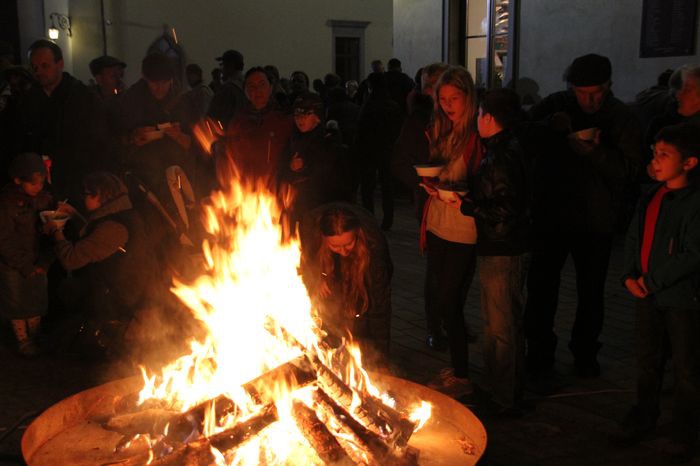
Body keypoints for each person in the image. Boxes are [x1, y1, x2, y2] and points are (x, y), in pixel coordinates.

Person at [524, 54, 641, 377]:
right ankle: (539, 354)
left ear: (609, 86)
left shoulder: (621, 117)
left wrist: (596, 154)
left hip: (596, 221)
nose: (589, 100)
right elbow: (522, 135)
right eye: (582, 92)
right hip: (551, 215)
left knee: (591, 291)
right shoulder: (556, 105)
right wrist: (549, 126)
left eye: (596, 92)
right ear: (571, 88)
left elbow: (631, 171)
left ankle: (586, 353)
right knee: (542, 288)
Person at [612, 123, 700, 463]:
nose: (656, 160)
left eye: (665, 155)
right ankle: (644, 415)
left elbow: (693, 253)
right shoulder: (652, 195)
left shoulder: (692, 202)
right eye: (654, 153)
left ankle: (685, 429)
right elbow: (634, 238)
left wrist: (653, 280)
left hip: (681, 299)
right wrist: (628, 275)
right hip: (647, 294)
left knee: (686, 366)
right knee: (648, 360)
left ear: (690, 162)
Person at [445, 88, 531, 414]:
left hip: (503, 248)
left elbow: (505, 209)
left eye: (479, 114)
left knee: (502, 326)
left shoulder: (502, 156)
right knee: (497, 324)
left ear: (489, 117)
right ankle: (498, 387)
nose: (476, 120)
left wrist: (465, 205)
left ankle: (505, 397)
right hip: (499, 246)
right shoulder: (502, 149)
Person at [419, 66, 482, 397]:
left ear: (468, 97)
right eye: (442, 99)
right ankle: (458, 369)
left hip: (464, 227)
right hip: (440, 221)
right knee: (443, 298)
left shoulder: (477, 135)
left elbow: (485, 185)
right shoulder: (442, 131)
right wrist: (432, 185)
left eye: (454, 98)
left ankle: (462, 374)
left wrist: (461, 194)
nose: (447, 105)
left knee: (449, 298)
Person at [45, 172, 156, 355]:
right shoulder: (123, 213)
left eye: (87, 194)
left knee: (63, 285)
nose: (84, 197)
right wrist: (73, 214)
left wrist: (56, 231)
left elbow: (71, 259)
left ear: (101, 196)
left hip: (120, 296)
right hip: (131, 288)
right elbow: (95, 237)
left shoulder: (114, 228)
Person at [299, 203, 392, 364]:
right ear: (322, 238)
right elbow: (303, 265)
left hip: (362, 279)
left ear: (358, 233)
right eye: (335, 246)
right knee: (330, 315)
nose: (343, 251)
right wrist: (315, 279)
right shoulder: (310, 238)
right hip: (329, 277)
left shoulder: (374, 250)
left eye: (349, 244)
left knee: (360, 317)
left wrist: (381, 356)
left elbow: (380, 306)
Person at [20, 40, 110, 201]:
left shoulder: (83, 98)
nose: (39, 71)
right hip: (40, 184)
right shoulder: (28, 99)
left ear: (59, 64)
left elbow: (97, 141)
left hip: (76, 180)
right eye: (35, 68)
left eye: (45, 66)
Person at [0, 153, 53, 356]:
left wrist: (44, 261)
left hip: (37, 260)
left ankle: (36, 337)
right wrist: (24, 265)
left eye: (41, 183)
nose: (38, 188)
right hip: (12, 264)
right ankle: (23, 341)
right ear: (17, 180)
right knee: (16, 302)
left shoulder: (44, 199)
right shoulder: (6, 203)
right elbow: (4, 239)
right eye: (33, 184)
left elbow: (44, 232)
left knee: (36, 301)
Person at [279, 93, 351, 228]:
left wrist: (305, 165)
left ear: (317, 116)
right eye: (297, 114)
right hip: (295, 206)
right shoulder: (292, 140)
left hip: (320, 207)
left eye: (306, 114)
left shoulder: (329, 141)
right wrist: (290, 168)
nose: (300, 119)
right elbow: (281, 169)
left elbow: (332, 174)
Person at [217, 67, 293, 187]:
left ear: (271, 87)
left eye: (262, 85)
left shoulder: (284, 119)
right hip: (245, 189)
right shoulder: (238, 122)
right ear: (246, 91)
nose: (257, 90)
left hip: (276, 190)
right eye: (251, 86)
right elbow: (229, 156)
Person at [393, 62, 449, 222]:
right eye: (424, 86)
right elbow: (399, 161)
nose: (426, 91)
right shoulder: (419, 120)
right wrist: (423, 181)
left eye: (431, 85)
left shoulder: (464, 121)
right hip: (430, 203)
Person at [356, 72, 403, 230]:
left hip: (369, 151)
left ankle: (369, 218)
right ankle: (387, 219)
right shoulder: (392, 105)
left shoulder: (368, 105)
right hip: (387, 150)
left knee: (368, 187)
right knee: (386, 185)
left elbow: (361, 130)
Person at [208, 49, 246, 126]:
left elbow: (215, 115)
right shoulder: (247, 84)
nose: (222, 69)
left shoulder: (228, 88)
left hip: (228, 134)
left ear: (230, 65)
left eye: (223, 65)